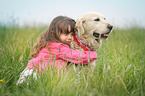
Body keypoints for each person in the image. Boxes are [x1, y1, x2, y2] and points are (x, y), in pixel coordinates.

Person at [16, 16, 97, 85]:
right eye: (66, 34)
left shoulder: (50, 44)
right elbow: (78, 57)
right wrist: (92, 54)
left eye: (72, 34)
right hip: (35, 76)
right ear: (54, 33)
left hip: (34, 73)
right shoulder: (58, 47)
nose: (69, 37)